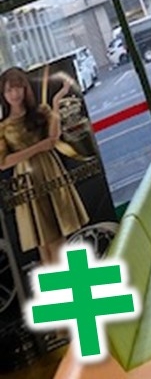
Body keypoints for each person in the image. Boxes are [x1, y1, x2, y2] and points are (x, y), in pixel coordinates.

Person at [0, 67, 88, 267]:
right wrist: (38, 147)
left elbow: (54, 138)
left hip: (49, 171)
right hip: (26, 179)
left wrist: (56, 103)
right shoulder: (3, 127)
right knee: (43, 240)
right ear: (3, 95)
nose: (14, 94)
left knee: (55, 234)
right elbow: (3, 162)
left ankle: (63, 281)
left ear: (25, 88)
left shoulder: (41, 111)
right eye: (8, 90)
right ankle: (59, 282)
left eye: (17, 88)